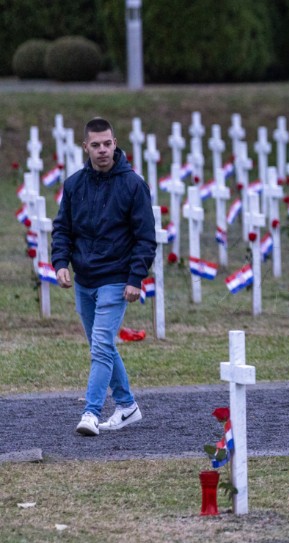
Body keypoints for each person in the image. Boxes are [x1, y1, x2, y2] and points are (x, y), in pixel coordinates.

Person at [52, 117, 156, 436]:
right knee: (103, 347)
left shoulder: (133, 185)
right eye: (95, 145)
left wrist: (135, 278)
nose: (102, 150)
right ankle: (127, 406)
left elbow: (145, 237)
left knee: (100, 345)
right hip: (84, 279)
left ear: (115, 143)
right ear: (86, 147)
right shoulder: (73, 185)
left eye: (107, 144)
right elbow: (63, 229)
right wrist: (60, 263)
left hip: (116, 278)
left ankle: (91, 413)